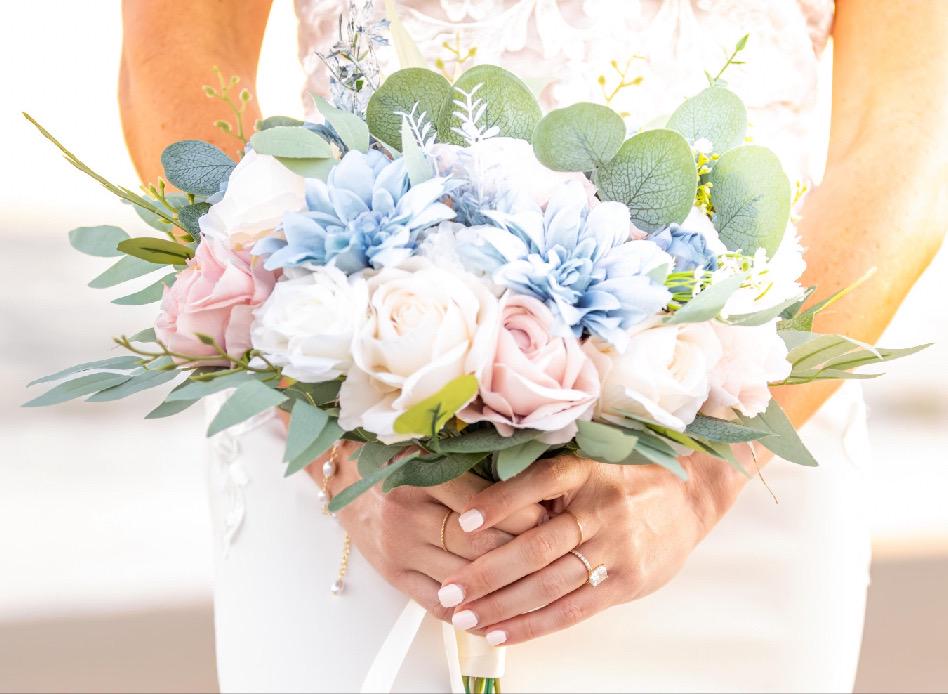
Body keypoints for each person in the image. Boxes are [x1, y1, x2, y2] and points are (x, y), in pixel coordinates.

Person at [119, 1, 948, 691]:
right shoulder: (349, 458)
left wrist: (706, 481)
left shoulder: (724, 470)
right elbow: (180, 46)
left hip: (745, 435)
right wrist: (340, 447)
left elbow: (907, 123)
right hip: (366, 443)